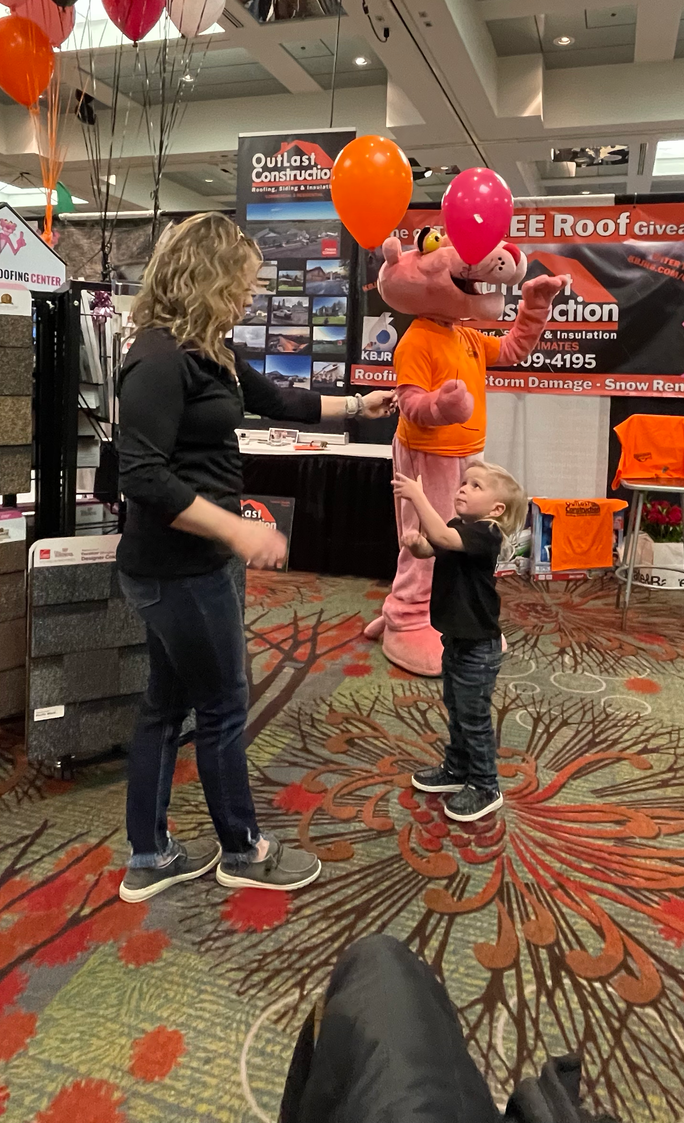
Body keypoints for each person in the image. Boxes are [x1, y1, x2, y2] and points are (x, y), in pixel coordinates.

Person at [114, 214, 395, 901]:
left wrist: (360, 404)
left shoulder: (211, 351)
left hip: (193, 565)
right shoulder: (156, 359)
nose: (248, 298)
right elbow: (143, 477)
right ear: (205, 279)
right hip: (180, 568)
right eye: (241, 285)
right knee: (222, 705)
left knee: (166, 704)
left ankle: (149, 857)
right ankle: (243, 849)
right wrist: (237, 532)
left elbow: (282, 401)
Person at [392, 461, 526, 822]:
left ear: (497, 510)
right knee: (456, 708)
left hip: (479, 647)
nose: (463, 488)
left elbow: (446, 539)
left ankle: (485, 785)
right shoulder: (458, 527)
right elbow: (434, 547)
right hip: (456, 640)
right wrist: (418, 543)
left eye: (476, 486)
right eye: (464, 483)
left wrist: (419, 497)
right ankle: (457, 769)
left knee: (474, 717)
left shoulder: (486, 533)